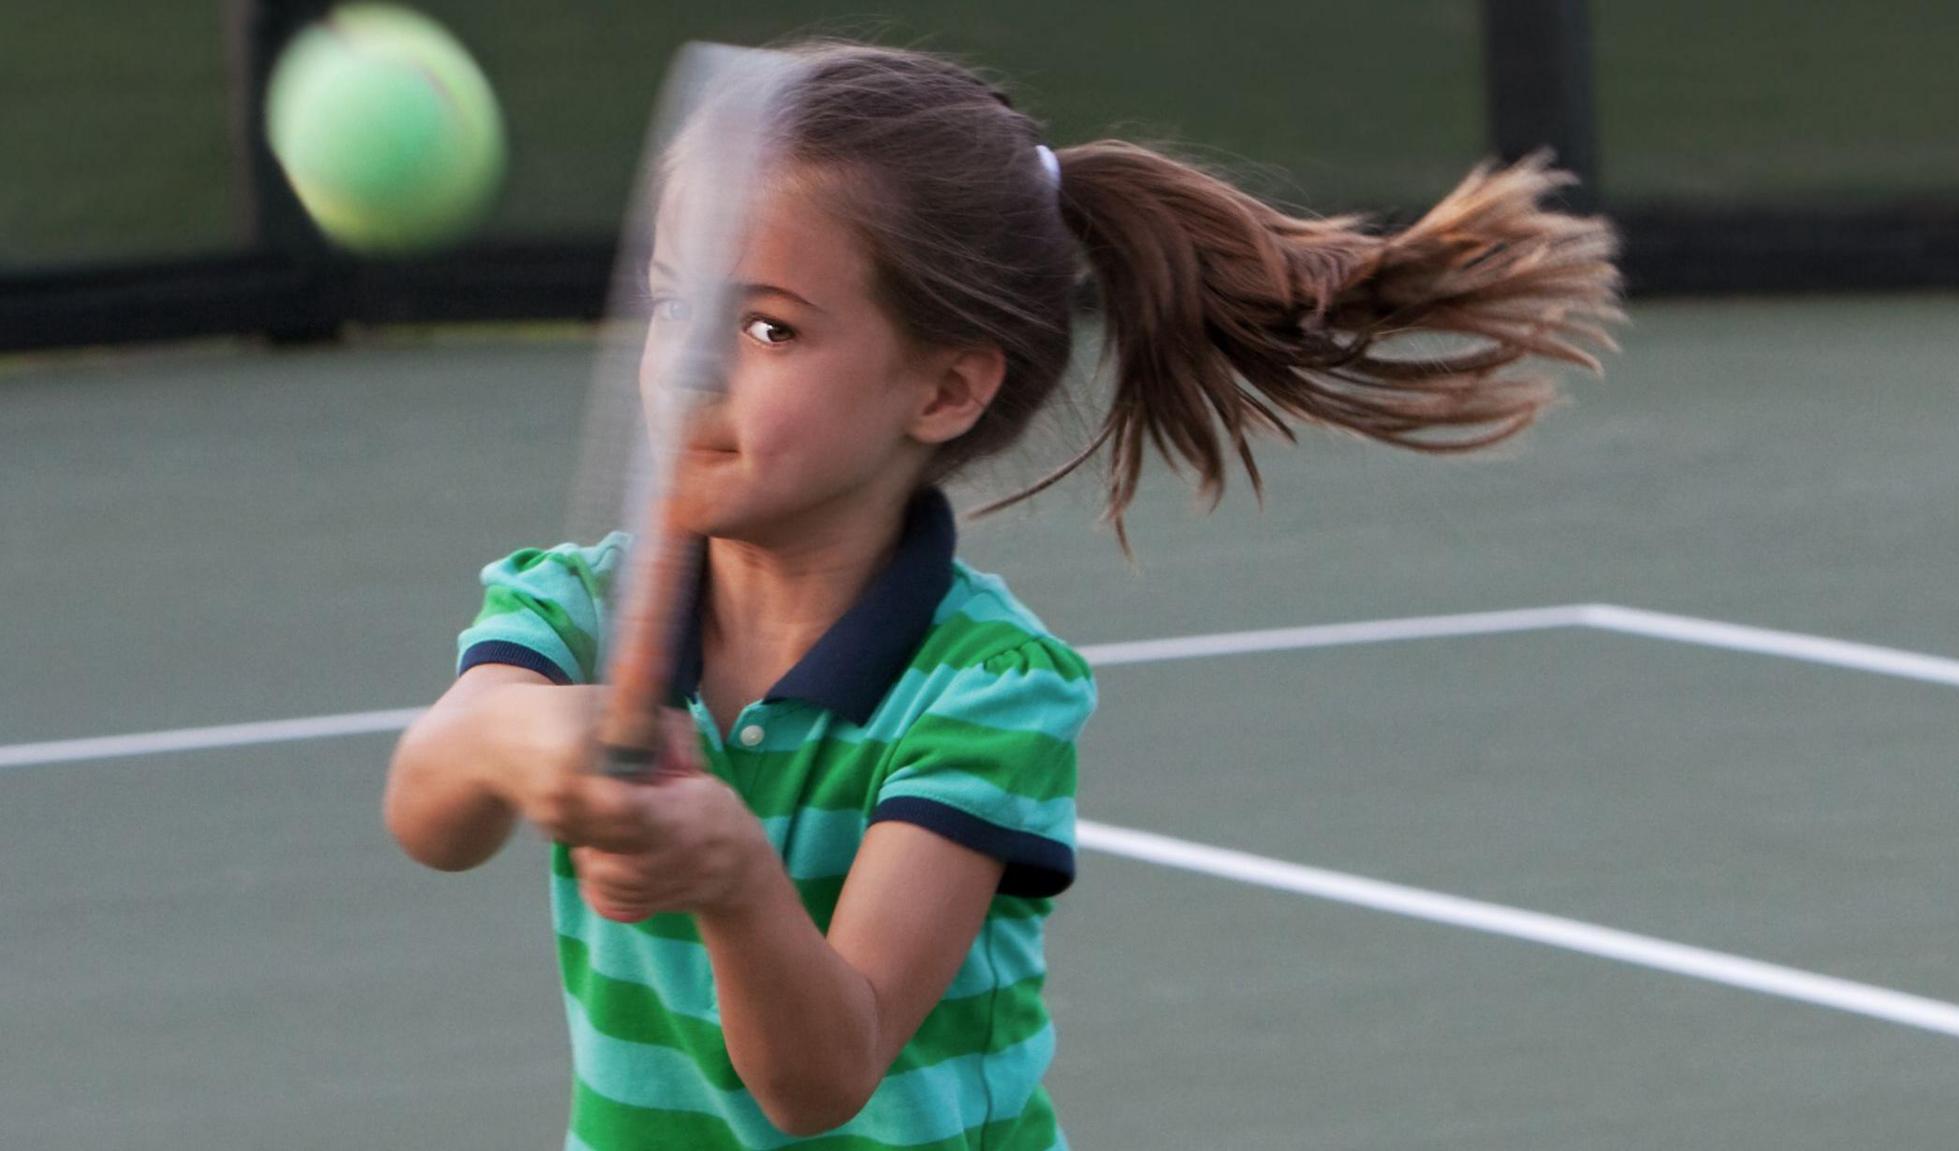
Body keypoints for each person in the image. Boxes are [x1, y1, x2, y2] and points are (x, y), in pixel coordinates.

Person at [382, 40, 1621, 1151]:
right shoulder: (570, 606)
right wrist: (514, 733)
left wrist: (730, 876)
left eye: (767, 330)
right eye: (673, 304)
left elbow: (823, 1076)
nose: (691, 364)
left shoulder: (985, 687)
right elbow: (430, 814)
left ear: (944, 391)